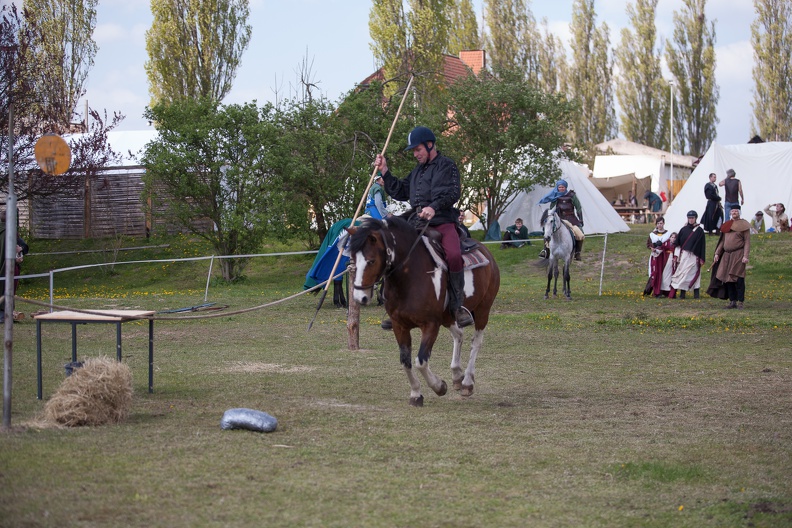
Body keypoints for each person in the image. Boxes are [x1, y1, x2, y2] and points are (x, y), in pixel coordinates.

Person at [374, 126, 473, 328]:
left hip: (443, 220)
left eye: (418, 149)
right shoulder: (417, 171)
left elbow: (452, 193)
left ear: (430, 145)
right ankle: (397, 308)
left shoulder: (447, 166)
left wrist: (433, 207)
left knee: (454, 255)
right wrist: (384, 170)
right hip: (416, 220)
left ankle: (457, 307)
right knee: (394, 247)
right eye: (414, 151)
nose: (416, 154)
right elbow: (401, 191)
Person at [711, 205, 751, 309]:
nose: (734, 212)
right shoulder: (727, 225)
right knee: (727, 279)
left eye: (736, 211)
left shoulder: (744, 225)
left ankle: (740, 302)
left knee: (738, 278)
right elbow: (723, 241)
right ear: (730, 213)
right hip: (726, 255)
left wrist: (745, 256)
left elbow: (747, 242)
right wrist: (717, 253)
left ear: (739, 212)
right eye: (732, 211)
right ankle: (732, 301)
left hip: (738, 254)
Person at [538, 179, 585, 260]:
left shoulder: (572, 195)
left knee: (580, 233)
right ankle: (546, 250)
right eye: (560, 187)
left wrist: (580, 219)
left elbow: (578, 207)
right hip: (559, 219)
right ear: (557, 187)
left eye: (563, 187)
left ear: (565, 187)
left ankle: (577, 253)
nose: (561, 188)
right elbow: (552, 208)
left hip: (571, 218)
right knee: (547, 231)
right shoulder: (555, 197)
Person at [668, 210, 706, 299]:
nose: (691, 220)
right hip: (684, 255)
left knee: (694, 274)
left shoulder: (700, 231)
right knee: (683, 274)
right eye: (689, 218)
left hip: (695, 256)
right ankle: (682, 294)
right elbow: (677, 243)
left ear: (695, 218)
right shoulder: (683, 229)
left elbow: (702, 245)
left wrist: (702, 258)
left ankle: (696, 294)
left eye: (692, 218)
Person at [645, 217, 673, 297]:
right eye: (658, 223)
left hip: (664, 256)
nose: (660, 225)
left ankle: (664, 291)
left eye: (661, 223)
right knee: (656, 272)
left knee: (664, 274)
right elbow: (648, 244)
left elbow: (670, 244)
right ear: (656, 224)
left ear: (663, 223)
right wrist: (652, 248)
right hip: (655, 256)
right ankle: (656, 291)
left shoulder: (668, 234)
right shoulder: (652, 234)